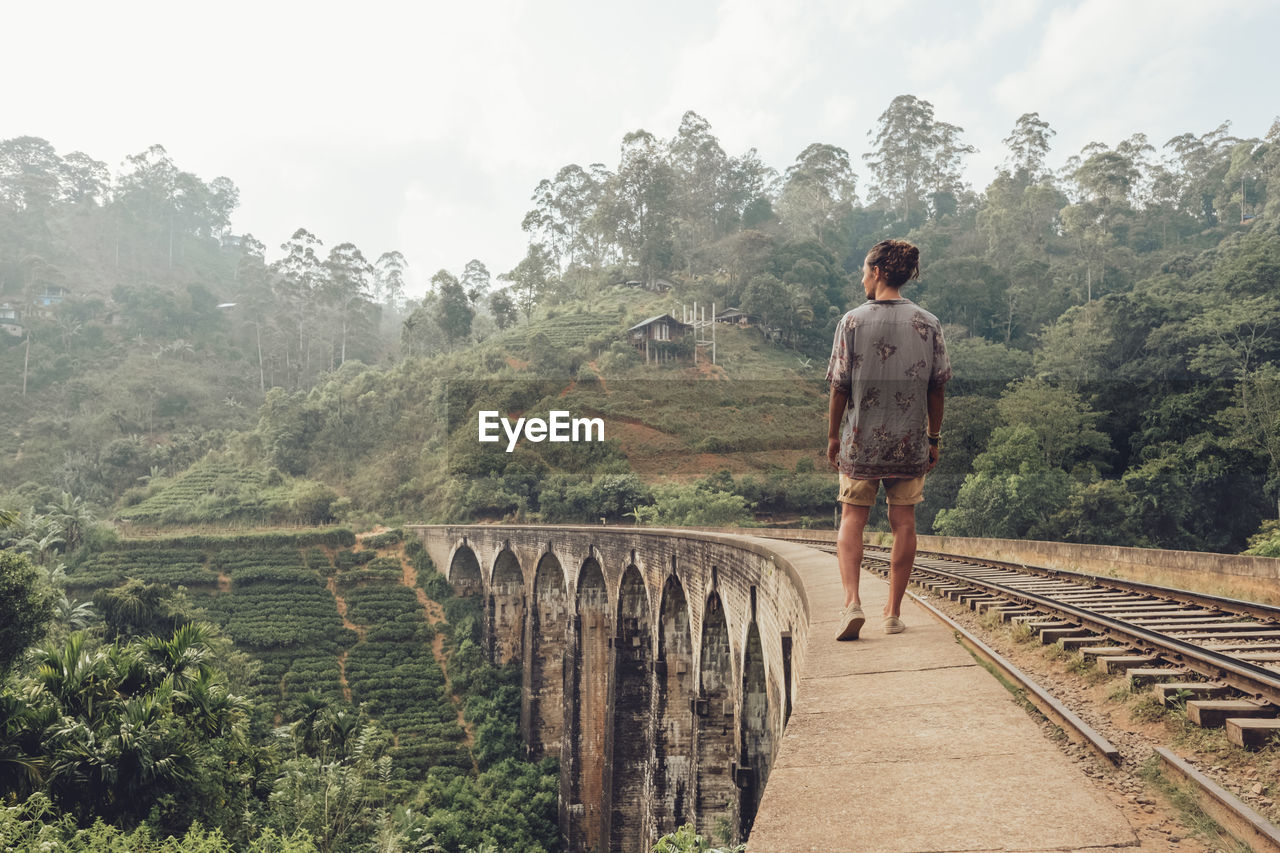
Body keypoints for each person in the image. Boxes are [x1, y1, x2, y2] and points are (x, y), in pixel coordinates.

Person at [825, 239, 950, 639]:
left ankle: (851, 603)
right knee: (904, 522)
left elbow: (839, 388)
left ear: (877, 272)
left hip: (862, 441)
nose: (862, 277)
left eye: (864, 270)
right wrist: (933, 437)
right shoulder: (928, 323)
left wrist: (832, 437)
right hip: (910, 441)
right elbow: (937, 388)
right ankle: (893, 612)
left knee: (852, 519)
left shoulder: (852, 322)